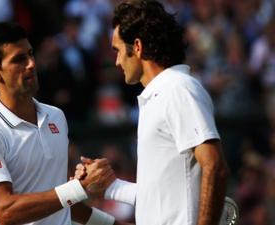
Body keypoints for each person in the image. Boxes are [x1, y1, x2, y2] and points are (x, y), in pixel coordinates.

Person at [0, 22, 132, 225]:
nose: (31, 63)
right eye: (19, 59)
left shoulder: (56, 117)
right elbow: (5, 210)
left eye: (30, 54)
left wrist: (112, 224)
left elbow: (60, 202)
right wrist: (79, 187)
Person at [75, 1, 230, 225]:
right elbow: (161, 199)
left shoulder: (177, 87)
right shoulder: (159, 96)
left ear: (137, 46)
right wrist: (110, 186)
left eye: (117, 50)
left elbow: (215, 166)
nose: (116, 61)